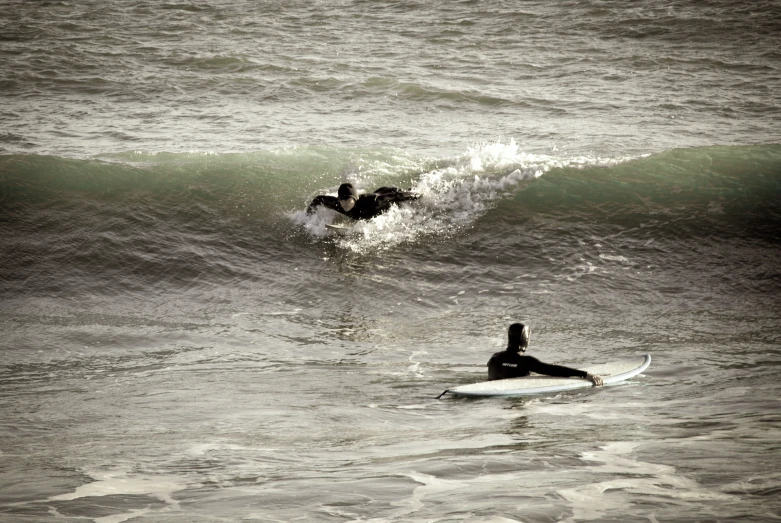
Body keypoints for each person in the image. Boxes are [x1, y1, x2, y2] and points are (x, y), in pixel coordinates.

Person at [487, 323, 604, 386]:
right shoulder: (525, 362)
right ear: (525, 340)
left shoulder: (494, 357)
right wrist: (585, 374)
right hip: (511, 394)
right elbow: (552, 370)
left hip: (492, 392)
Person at [306, 182, 420, 221]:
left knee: (400, 203)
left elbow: (397, 196)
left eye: (347, 199)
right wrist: (308, 216)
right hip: (378, 195)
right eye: (342, 199)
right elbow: (318, 199)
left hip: (388, 194)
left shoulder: (373, 202)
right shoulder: (339, 204)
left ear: (355, 199)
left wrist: (417, 195)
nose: (344, 203)